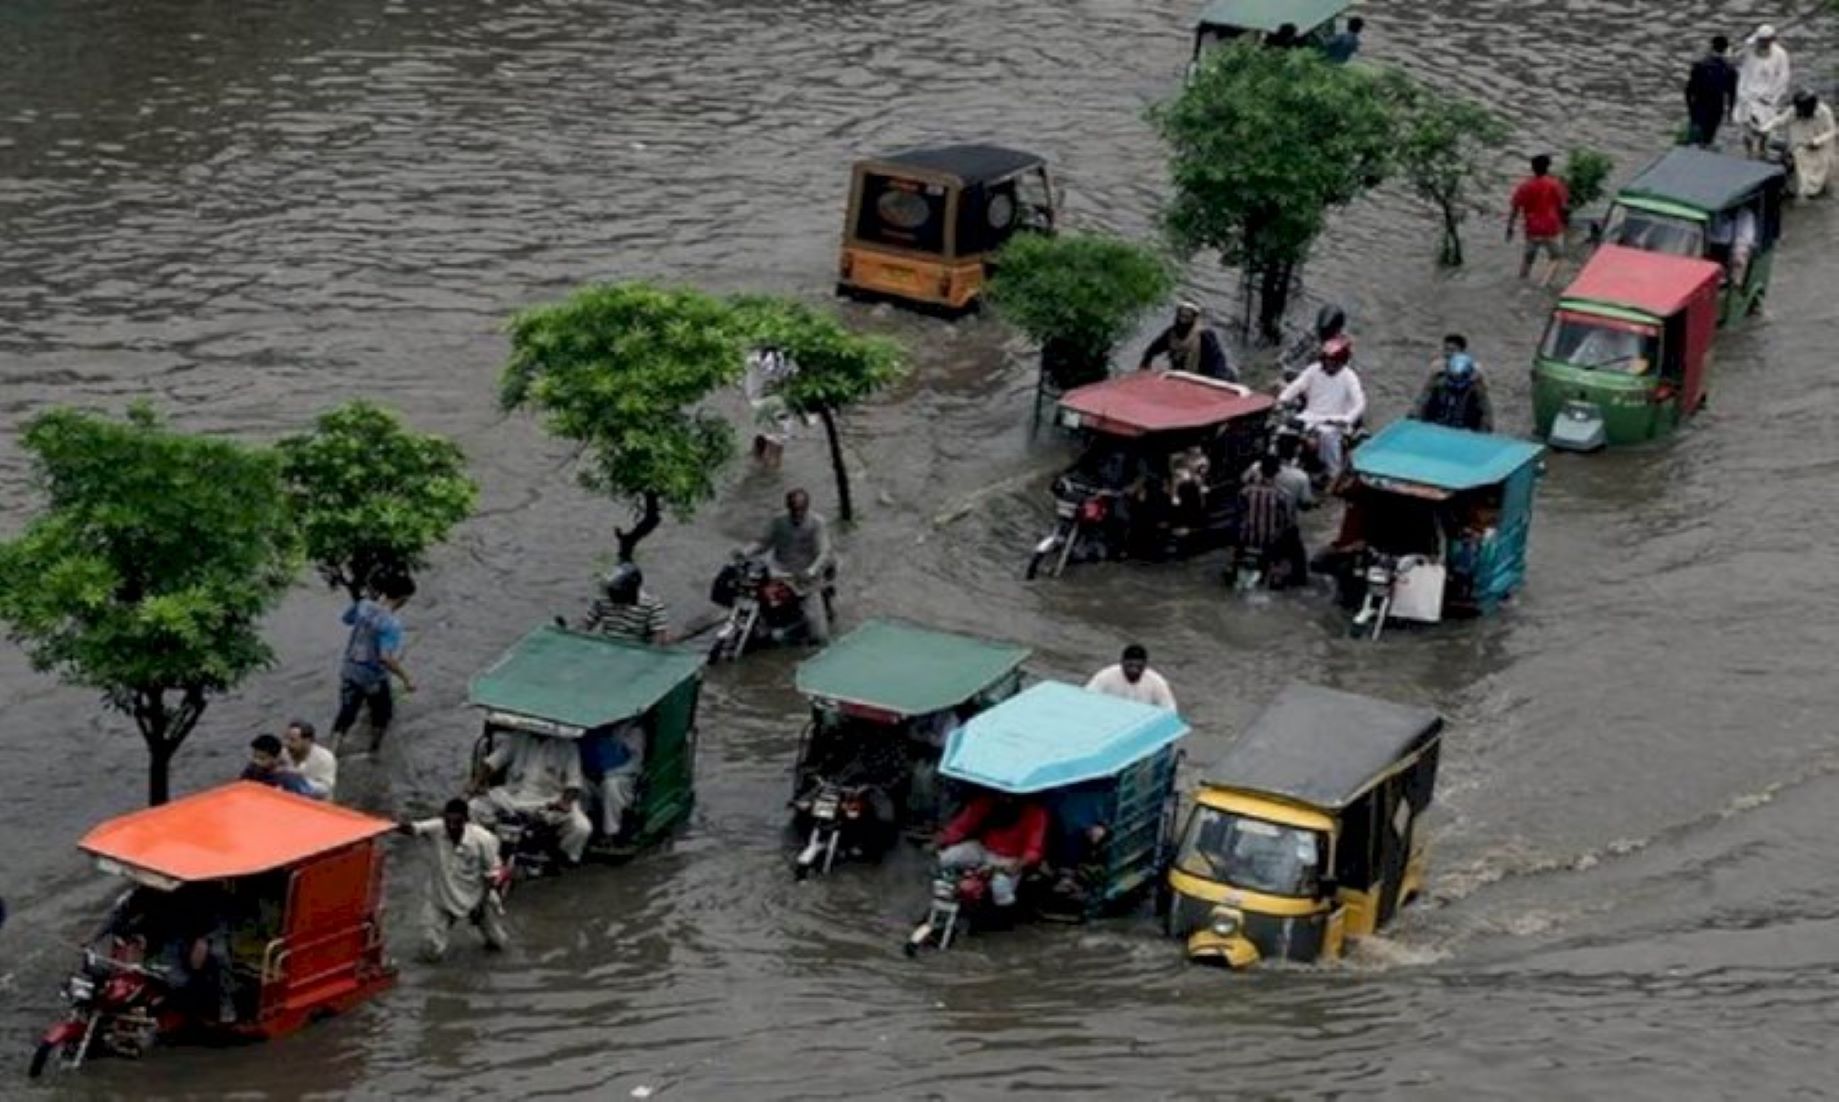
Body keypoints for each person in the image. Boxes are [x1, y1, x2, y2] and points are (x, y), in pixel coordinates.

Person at [398, 799, 507, 962]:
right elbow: (413, 828)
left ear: (466, 821)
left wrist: (481, 903)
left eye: (457, 822)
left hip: (477, 896)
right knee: (430, 950)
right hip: (442, 897)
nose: (452, 827)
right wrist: (386, 825)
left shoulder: (484, 840)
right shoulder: (437, 828)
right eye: (448, 822)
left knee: (498, 944)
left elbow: (491, 874)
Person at [468, 729, 592, 864]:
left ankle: (561, 858)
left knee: (581, 828)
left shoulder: (569, 747)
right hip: (513, 796)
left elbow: (573, 783)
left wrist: (565, 802)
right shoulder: (519, 737)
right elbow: (492, 762)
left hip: (549, 800)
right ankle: (484, 847)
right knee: (473, 807)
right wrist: (476, 783)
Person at [330, 572, 416, 754]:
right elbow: (385, 657)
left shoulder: (363, 605)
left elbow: (346, 619)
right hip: (373, 677)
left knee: (346, 714)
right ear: (403, 598)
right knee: (382, 716)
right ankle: (374, 751)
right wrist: (406, 678)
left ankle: (332, 752)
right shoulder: (392, 624)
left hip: (349, 669)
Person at [742, 488, 836, 644]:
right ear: (788, 507)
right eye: (793, 509)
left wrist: (811, 570)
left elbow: (824, 551)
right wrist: (744, 552)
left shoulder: (817, 523)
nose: (797, 514)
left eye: (800, 510)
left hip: (805, 578)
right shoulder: (778, 521)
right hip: (780, 571)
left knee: (819, 636)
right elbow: (763, 542)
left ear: (807, 508)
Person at [934, 789, 1050, 912]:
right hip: (983, 848)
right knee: (949, 856)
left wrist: (1017, 866)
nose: (1005, 800)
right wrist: (939, 841)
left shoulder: (1036, 813)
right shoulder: (987, 802)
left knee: (1000, 887)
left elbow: (1033, 850)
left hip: (1010, 859)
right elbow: (961, 827)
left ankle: (1000, 915)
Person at [1277, 334, 1366, 478]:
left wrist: (1347, 419)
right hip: (1310, 415)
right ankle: (1283, 461)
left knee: (1327, 438)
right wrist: (1282, 400)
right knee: (1284, 430)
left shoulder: (1349, 377)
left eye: (1333, 361)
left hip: (1333, 420)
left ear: (1341, 362)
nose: (1329, 364)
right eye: (1327, 360)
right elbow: (1297, 385)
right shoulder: (1314, 370)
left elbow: (1360, 403)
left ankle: (1333, 472)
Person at [1238, 455, 1307, 587]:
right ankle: (1298, 580)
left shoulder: (1245, 492)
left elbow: (1239, 516)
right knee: (1296, 542)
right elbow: (1288, 523)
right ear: (1277, 472)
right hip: (1271, 543)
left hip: (1247, 541)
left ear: (1261, 470)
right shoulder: (1283, 495)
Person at [1506, 154, 1570, 281]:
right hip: (1551, 228)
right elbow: (1563, 206)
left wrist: (1510, 227)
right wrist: (1564, 223)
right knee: (1556, 257)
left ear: (1532, 168)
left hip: (1532, 229)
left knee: (1528, 260)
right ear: (1548, 167)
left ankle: (1522, 281)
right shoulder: (1555, 185)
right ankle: (1544, 283)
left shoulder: (1525, 186)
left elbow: (1515, 208)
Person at [1139, 302, 1237, 382]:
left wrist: (1214, 381)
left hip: (1204, 377)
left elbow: (1218, 360)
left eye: (1187, 317)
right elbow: (1152, 350)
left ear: (1193, 318)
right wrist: (1145, 365)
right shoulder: (1171, 334)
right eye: (1181, 316)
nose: (1183, 320)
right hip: (1179, 377)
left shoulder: (1205, 336)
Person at [580, 720, 646, 840]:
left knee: (611, 785)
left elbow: (635, 764)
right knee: (578, 782)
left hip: (621, 779)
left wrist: (607, 773)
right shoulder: (593, 727)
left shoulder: (633, 731)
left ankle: (611, 833)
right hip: (593, 776)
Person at [1769, 88, 1837, 198]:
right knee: (1799, 175)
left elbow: (1832, 131)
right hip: (1799, 146)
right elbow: (1780, 120)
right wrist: (1763, 129)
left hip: (1819, 149)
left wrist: (1817, 141)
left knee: (1816, 178)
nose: (1799, 112)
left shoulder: (1825, 112)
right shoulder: (1793, 111)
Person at [1736, 25, 1791, 158]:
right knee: (1746, 127)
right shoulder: (1749, 50)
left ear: (1772, 40)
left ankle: (1762, 151)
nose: (1763, 43)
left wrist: (1773, 95)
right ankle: (1748, 152)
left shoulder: (1780, 54)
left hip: (1767, 97)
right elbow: (1737, 59)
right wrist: (1747, 45)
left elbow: (1783, 77)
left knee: (1766, 128)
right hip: (1747, 93)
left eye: (1766, 40)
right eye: (1761, 40)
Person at [581, 562, 669, 644]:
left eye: (617, 593)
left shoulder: (652, 606)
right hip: (606, 647)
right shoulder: (604, 599)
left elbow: (658, 642)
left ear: (631, 592)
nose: (612, 596)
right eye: (611, 591)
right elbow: (584, 626)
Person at [1412, 351, 1495, 432]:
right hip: (1435, 428)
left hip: (1464, 433)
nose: (1457, 380)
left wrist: (1481, 433)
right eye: (1454, 377)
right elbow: (1421, 403)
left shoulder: (1477, 390)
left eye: (1460, 377)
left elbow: (1486, 416)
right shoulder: (1438, 385)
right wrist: (1415, 419)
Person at [1085, 644, 1178, 711]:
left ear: (1145, 665)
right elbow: (1087, 699)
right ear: (1122, 662)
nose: (1134, 670)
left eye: (1138, 666)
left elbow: (1169, 710)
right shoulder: (1105, 676)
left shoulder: (1157, 682)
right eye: (1130, 665)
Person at [1685, 35, 1738, 147]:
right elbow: (1732, 95)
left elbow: (1689, 91)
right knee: (1708, 139)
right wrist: (1730, 113)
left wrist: (1690, 109)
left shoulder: (1700, 66)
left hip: (1699, 107)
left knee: (1694, 139)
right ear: (1725, 50)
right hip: (1716, 108)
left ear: (1711, 47)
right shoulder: (1730, 71)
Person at [241, 734, 318, 797]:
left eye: (262, 759)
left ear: (276, 758)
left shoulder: (288, 778)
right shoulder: (252, 769)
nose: (256, 761)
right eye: (254, 756)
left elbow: (305, 799)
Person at [280, 720, 337, 801]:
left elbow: (326, 789)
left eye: (293, 740)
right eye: (286, 738)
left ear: (307, 741)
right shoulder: (284, 753)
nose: (287, 743)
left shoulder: (325, 758)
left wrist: (301, 782)